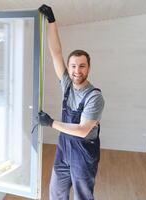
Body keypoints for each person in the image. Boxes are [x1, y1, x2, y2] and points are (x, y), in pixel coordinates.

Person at [38, 4, 105, 200]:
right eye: (74, 66)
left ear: (89, 68)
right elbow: (56, 52)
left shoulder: (94, 96)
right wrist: (51, 20)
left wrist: (51, 123)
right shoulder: (67, 84)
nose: (77, 71)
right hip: (63, 149)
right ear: (68, 67)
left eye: (82, 66)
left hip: (83, 154)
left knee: (82, 196)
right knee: (57, 192)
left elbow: (83, 130)